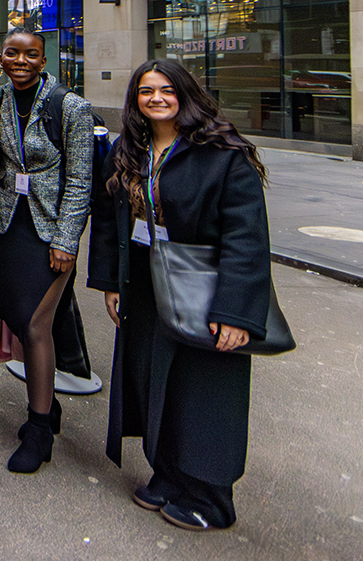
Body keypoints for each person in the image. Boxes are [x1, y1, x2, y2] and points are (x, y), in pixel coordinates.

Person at [89, 59, 273, 531]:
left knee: (204, 392)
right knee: (154, 382)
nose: (155, 98)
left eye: (166, 90)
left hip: (206, 290)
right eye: (145, 91)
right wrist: (111, 282)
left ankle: (210, 497)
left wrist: (235, 313)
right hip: (148, 285)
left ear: (185, 93)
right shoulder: (129, 150)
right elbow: (112, 222)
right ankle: (168, 474)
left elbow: (246, 240)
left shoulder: (221, 152)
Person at [0, 26, 94, 473]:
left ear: (44, 59)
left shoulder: (70, 107)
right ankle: (48, 407)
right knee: (15, 316)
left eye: (30, 55)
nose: (21, 61)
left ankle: (38, 428)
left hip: (51, 230)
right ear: (1, 58)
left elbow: (80, 179)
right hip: (8, 225)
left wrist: (67, 240)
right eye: (12, 53)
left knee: (36, 325)